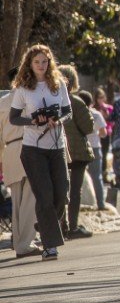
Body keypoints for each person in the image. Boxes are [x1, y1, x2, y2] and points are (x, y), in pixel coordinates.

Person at [8, 45, 73, 261]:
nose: (41, 66)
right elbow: (14, 118)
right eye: (37, 62)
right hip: (33, 148)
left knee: (62, 194)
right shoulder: (23, 88)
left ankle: (43, 224)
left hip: (57, 146)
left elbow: (67, 111)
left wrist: (58, 120)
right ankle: (50, 245)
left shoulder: (59, 84)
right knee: (44, 196)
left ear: (50, 62)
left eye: (44, 61)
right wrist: (33, 121)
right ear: (30, 63)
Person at [1, 65, 42, 258]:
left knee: (17, 200)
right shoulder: (30, 98)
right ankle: (24, 244)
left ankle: (19, 242)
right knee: (29, 199)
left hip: (10, 151)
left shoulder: (2, 102)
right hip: (28, 147)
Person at [58, 65, 95, 239]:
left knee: (60, 190)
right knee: (75, 191)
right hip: (78, 152)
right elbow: (88, 128)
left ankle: (61, 226)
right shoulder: (76, 102)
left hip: (58, 150)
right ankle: (73, 227)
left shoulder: (51, 100)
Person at [79, 91, 109, 211]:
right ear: (91, 102)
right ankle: (100, 203)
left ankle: (81, 203)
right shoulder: (96, 114)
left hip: (80, 148)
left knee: (79, 178)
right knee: (97, 177)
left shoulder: (76, 114)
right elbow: (104, 133)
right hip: (95, 147)